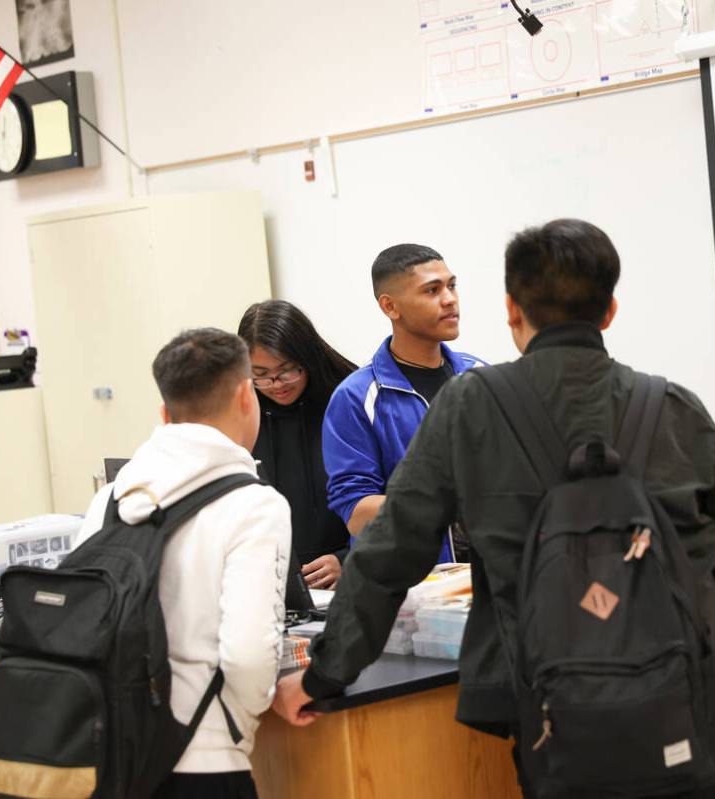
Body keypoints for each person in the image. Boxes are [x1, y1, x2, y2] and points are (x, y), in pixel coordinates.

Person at [275, 219, 715, 796]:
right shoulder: (672, 405)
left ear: (513, 310)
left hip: (552, 705)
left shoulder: (473, 404)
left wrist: (324, 672)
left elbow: (391, 551)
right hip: (693, 697)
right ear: (610, 311)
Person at [74, 328, 291, 799]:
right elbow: (250, 654)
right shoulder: (255, 505)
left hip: (114, 754)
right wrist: (238, 722)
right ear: (244, 394)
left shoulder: (111, 498)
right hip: (205, 757)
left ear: (164, 413)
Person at [321, 243, 486, 562]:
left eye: (451, 286)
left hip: (486, 580)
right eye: (432, 290)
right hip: (404, 592)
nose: (450, 299)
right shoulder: (356, 397)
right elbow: (356, 513)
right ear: (390, 307)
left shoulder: (480, 376)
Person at [239, 300, 357, 589]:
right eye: (261, 375)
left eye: (287, 369)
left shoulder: (348, 403)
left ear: (308, 357)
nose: (276, 384)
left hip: (349, 582)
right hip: (272, 586)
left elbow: (383, 502)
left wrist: (349, 559)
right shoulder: (243, 415)